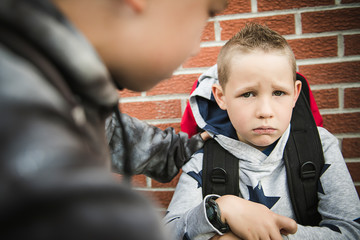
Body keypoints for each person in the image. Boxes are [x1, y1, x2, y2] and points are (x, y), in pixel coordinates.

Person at [0, 0, 226, 239]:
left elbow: (134, 141)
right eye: (208, 13)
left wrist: (198, 141)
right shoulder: (19, 105)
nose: (195, 49)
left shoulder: (70, 93)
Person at [164, 23, 360, 240]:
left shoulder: (320, 147)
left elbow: (351, 232)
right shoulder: (203, 158)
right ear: (221, 97)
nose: (265, 112)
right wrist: (220, 209)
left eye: (278, 92)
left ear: (295, 94)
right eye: (248, 94)